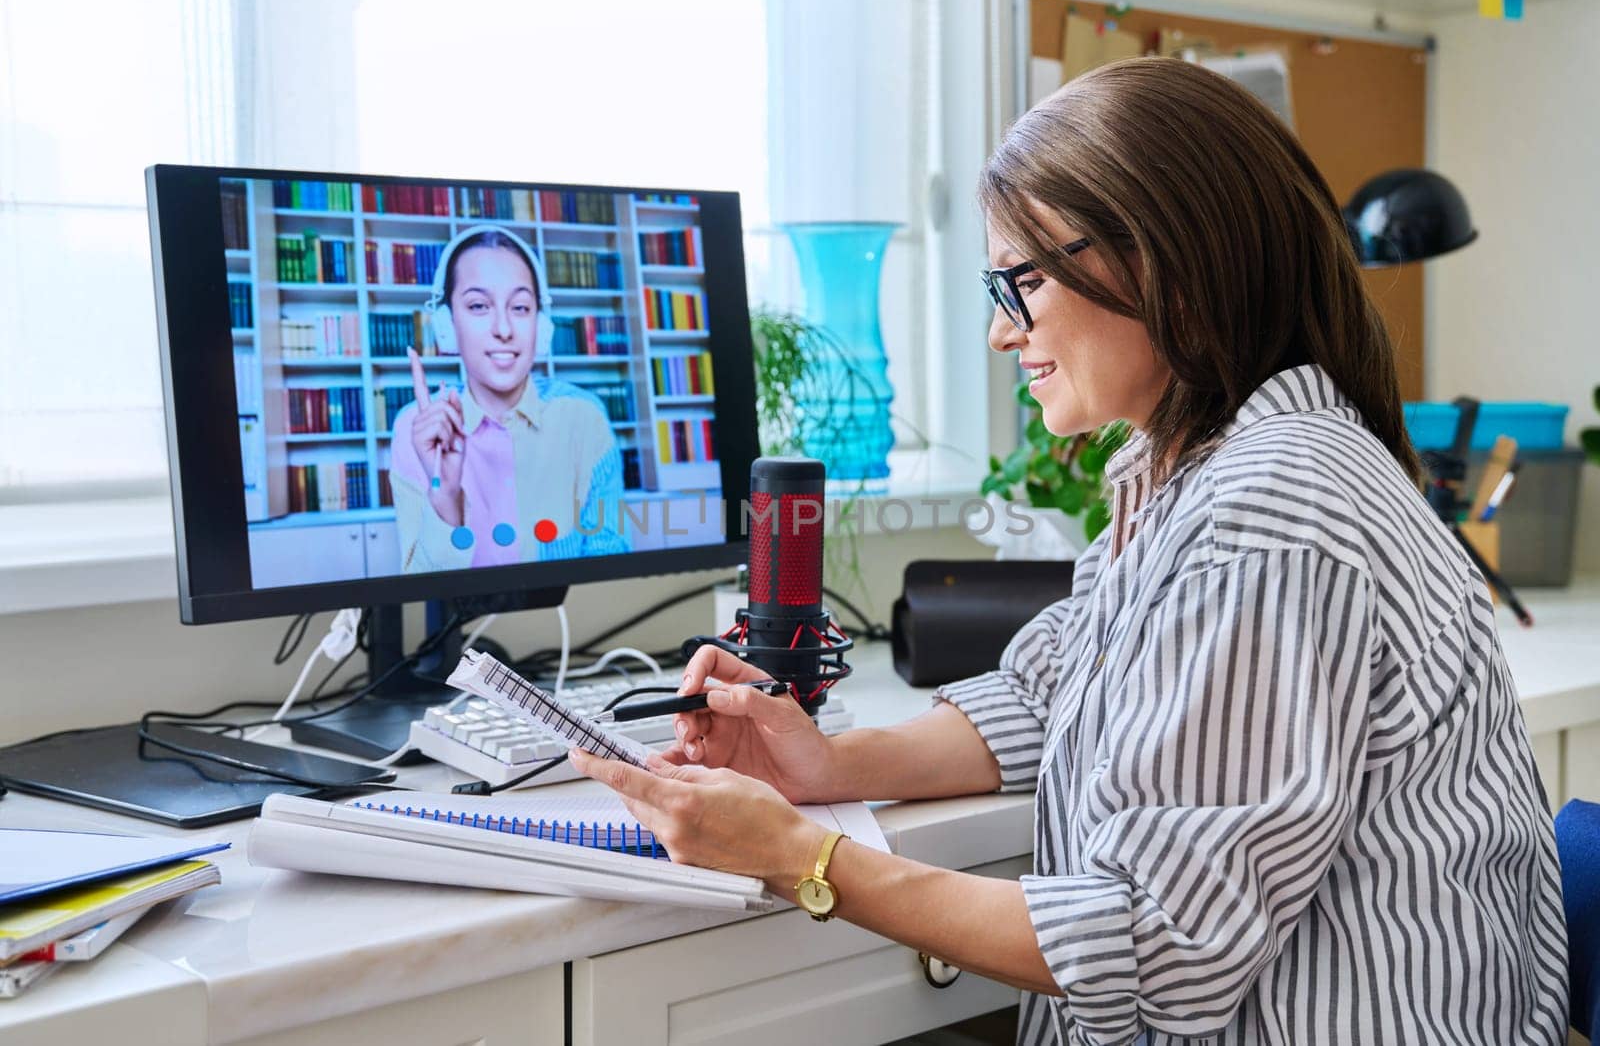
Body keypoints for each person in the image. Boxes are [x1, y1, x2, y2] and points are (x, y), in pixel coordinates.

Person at [571, 57, 1568, 1045]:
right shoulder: (1184, 470)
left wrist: (802, 855)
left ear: (1162, 259)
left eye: (1022, 282)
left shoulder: (1266, 512)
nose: (1002, 334)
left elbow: (1154, 939)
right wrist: (825, 763)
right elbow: (1060, 692)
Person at [390, 226, 628, 572]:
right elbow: (418, 601)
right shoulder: (417, 427)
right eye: (478, 305)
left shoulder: (583, 417)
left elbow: (614, 570)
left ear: (541, 327)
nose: (503, 329)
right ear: (447, 324)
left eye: (519, 307)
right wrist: (445, 498)